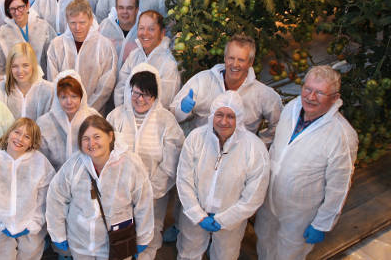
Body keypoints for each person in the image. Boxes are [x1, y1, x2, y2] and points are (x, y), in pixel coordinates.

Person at [255, 66, 359, 260]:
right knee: (264, 241)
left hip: (300, 213)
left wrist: (322, 224)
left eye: (319, 93)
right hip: (269, 199)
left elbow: (339, 186)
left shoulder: (342, 136)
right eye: (307, 89)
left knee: (289, 253)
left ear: (335, 98)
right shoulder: (292, 108)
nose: (311, 97)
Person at [176, 91, 270, 260]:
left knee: (225, 255)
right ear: (212, 115)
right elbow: (184, 180)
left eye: (230, 116)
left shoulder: (254, 148)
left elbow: (254, 194)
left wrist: (225, 219)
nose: (224, 121)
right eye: (219, 114)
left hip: (231, 221)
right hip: (195, 217)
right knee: (188, 252)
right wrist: (197, 214)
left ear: (239, 118)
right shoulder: (196, 138)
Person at [45, 115, 155, 259]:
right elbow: (56, 197)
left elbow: (144, 202)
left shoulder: (130, 165)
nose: (91, 143)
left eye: (97, 136)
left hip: (117, 244)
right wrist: (58, 234)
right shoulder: (74, 165)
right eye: (86, 138)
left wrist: (143, 237)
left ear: (110, 136)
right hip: (80, 244)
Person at [106, 63, 185, 259]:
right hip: (120, 193)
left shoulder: (166, 121)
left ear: (156, 96)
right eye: (136, 93)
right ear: (129, 91)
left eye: (147, 94)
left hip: (154, 194)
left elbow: (171, 161)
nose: (140, 99)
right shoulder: (115, 117)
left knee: (150, 232)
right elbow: (105, 154)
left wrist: (150, 190)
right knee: (120, 234)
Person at [0, 118, 56, 259]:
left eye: (27, 137)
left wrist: (33, 223)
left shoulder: (40, 163)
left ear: (32, 143)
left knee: (30, 250)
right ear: (9, 133)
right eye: (17, 132)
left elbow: (45, 197)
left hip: (29, 225)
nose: (20, 139)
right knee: (0, 253)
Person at [170, 34, 282, 142]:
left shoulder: (263, 94)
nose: (235, 64)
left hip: (240, 152)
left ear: (250, 62)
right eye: (231, 58)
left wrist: (261, 144)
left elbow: (279, 124)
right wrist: (182, 109)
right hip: (200, 148)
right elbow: (173, 115)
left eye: (241, 60)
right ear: (225, 58)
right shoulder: (202, 80)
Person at [47, 0, 117, 112]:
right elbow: (53, 81)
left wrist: (87, 111)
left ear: (91, 20)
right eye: (73, 23)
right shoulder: (56, 45)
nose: (77, 28)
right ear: (67, 21)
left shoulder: (105, 46)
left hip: (93, 113)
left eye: (82, 23)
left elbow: (106, 85)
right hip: (63, 111)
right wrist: (66, 106)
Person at [0, 0, 56, 87]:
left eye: (20, 7)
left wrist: (49, 86)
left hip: (42, 86)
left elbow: (53, 59)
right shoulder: (2, 35)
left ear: (27, 6)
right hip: (15, 88)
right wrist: (7, 90)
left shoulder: (43, 28)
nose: (17, 12)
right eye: (12, 9)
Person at [115, 10, 180, 109]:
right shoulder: (134, 55)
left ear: (162, 33)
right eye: (141, 28)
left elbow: (165, 102)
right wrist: (124, 113)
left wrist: (140, 116)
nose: (145, 33)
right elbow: (120, 88)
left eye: (151, 29)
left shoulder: (169, 63)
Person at [37, 71, 100, 170]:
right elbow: (41, 161)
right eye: (63, 97)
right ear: (57, 98)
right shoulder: (45, 123)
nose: (69, 102)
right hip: (54, 176)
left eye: (74, 96)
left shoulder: (93, 118)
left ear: (81, 97)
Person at [0, 42, 55, 121]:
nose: (20, 71)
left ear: (33, 65)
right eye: (15, 66)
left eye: (25, 65)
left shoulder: (48, 91)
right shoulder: (1, 90)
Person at [98, 0, 139, 70]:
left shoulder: (142, 30)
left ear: (136, 10)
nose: (125, 12)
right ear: (116, 9)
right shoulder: (105, 28)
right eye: (121, 8)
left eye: (129, 8)